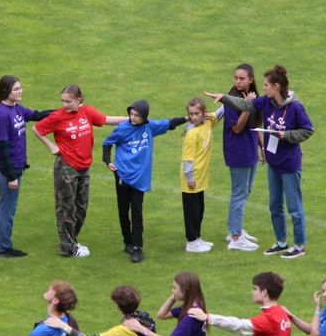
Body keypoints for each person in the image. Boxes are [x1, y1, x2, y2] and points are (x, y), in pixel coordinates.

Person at [214, 65, 313, 259]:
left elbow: (308, 130)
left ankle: (299, 245)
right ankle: (281, 242)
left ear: (276, 86)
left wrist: (287, 135)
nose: (264, 88)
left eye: (267, 85)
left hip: (290, 164)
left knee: (294, 207)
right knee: (274, 205)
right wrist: (224, 98)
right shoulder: (266, 102)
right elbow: (245, 105)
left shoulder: (294, 107)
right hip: (274, 163)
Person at [32, 85, 125, 257]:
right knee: (66, 208)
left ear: (79, 100)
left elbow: (107, 119)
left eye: (68, 101)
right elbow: (37, 129)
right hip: (66, 167)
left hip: (84, 167)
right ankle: (67, 248)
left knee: (81, 207)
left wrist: (130, 119)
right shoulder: (57, 116)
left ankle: (72, 241)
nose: (65, 105)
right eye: (63, 101)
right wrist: (52, 145)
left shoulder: (87, 112)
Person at [102, 100, 186, 263]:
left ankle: (137, 247)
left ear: (144, 117)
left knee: (137, 211)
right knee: (123, 210)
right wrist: (107, 161)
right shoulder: (122, 128)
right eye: (131, 114)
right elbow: (107, 144)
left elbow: (170, 123)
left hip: (139, 179)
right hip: (122, 176)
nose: (133, 118)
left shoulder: (150, 127)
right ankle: (127, 243)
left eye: (137, 115)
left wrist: (188, 118)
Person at [0, 76, 52, 258]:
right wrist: (11, 176)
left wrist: (62, 112)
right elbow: (2, 148)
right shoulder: (1, 114)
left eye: (20, 88)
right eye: (16, 89)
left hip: (15, 166)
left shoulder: (15, 108)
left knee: (7, 207)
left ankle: (0, 244)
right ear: (6, 91)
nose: (20, 91)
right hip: (7, 168)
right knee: (7, 209)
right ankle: (2, 248)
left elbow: (36, 115)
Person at [202, 64, 263, 252]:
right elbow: (236, 128)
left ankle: (234, 229)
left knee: (246, 191)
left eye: (242, 78)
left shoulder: (253, 96)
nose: (237, 81)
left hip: (251, 149)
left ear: (251, 80)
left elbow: (256, 124)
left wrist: (262, 147)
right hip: (238, 152)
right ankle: (236, 237)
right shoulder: (231, 100)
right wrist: (247, 107)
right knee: (239, 192)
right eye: (236, 78)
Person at [179, 98, 219, 253]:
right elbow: (187, 159)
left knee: (199, 209)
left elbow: (222, 112)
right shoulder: (191, 133)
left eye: (197, 113)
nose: (194, 117)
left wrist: (227, 98)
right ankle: (191, 241)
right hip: (192, 179)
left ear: (204, 113)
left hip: (201, 177)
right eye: (191, 114)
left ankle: (197, 237)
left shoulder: (208, 122)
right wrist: (190, 178)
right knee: (191, 211)